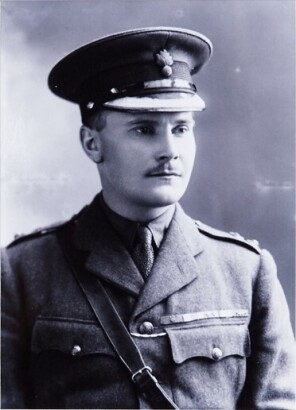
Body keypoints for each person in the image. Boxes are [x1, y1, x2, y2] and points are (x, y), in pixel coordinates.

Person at [1, 27, 295, 409]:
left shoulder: (245, 272)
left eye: (181, 128)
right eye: (144, 129)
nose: (169, 150)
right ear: (92, 143)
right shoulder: (22, 271)